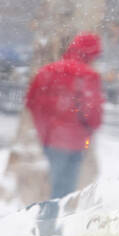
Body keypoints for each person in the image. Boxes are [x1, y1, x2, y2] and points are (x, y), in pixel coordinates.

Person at [25, 32, 104, 199]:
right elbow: (94, 114)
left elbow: (31, 102)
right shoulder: (89, 76)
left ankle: (45, 219)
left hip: (50, 138)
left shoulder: (47, 70)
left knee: (50, 185)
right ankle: (56, 221)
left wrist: (45, 129)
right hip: (76, 140)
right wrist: (88, 129)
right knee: (65, 190)